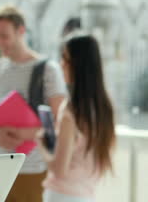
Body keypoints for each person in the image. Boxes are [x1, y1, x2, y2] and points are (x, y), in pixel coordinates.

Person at [0, 6, 67, 202]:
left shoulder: (48, 71)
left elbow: (59, 124)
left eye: (4, 35)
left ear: (21, 31)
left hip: (35, 170)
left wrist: (26, 134)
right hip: (0, 169)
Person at [37, 33, 116, 202]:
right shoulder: (104, 109)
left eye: (65, 59)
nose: (61, 64)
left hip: (62, 195)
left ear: (79, 65)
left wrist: (41, 145)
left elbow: (59, 170)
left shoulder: (71, 111)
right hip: (87, 195)